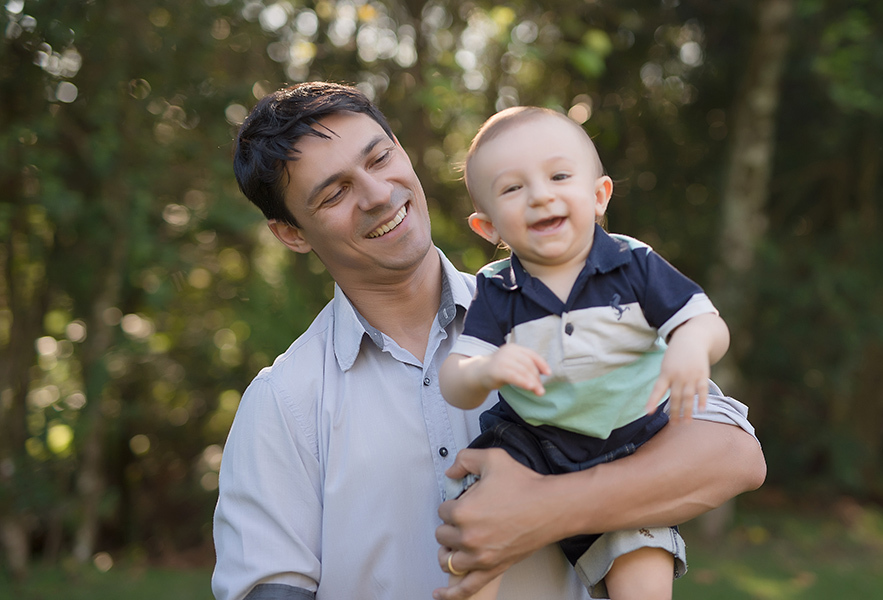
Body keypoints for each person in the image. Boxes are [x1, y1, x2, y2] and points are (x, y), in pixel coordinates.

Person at [211, 82, 766, 600]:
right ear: (290, 233)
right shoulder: (283, 405)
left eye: (379, 158)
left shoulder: (566, 302)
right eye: (335, 193)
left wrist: (545, 511)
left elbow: (734, 456)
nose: (379, 195)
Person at [439, 106, 729, 600]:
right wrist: (485, 369)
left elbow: (706, 321)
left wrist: (691, 347)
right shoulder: (498, 288)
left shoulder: (632, 264)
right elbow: (455, 378)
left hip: (632, 446)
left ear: (598, 196)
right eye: (513, 188)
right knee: (480, 526)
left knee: (643, 572)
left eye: (558, 175)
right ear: (488, 228)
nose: (540, 195)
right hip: (531, 442)